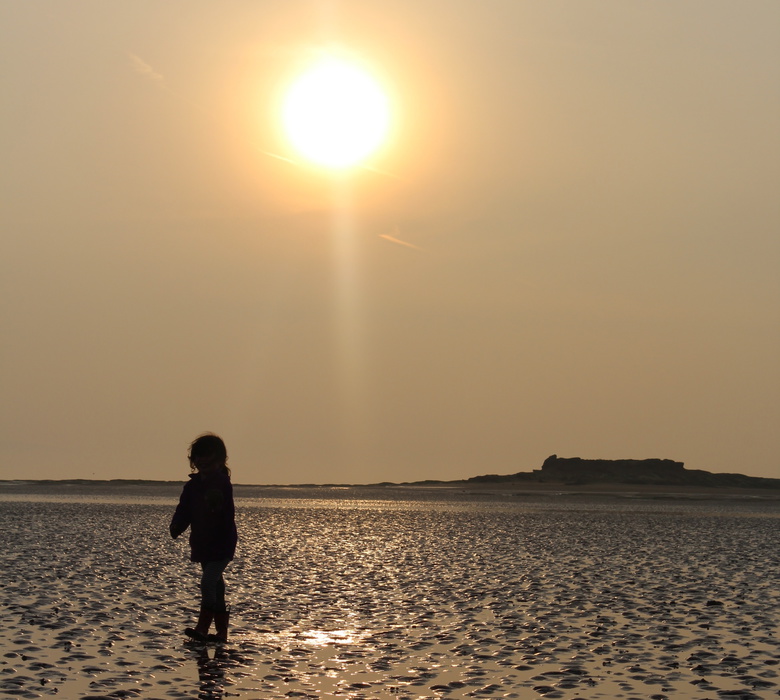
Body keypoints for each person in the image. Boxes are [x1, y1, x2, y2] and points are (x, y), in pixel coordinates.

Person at [170, 433, 238, 643]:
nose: (201, 461)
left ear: (219, 460)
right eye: (197, 457)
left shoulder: (222, 483)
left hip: (221, 544)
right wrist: (177, 526)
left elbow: (221, 511)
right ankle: (221, 633)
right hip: (202, 543)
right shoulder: (192, 487)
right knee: (216, 586)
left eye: (206, 456)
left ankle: (202, 627)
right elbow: (184, 510)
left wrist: (214, 505)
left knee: (208, 582)